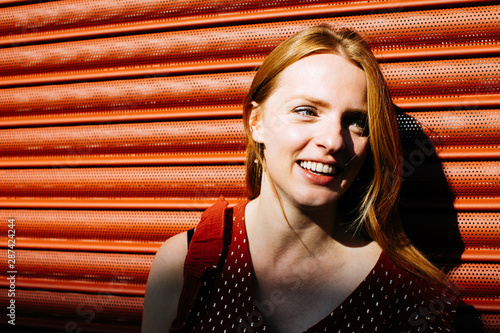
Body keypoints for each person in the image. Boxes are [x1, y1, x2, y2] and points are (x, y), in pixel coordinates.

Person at [142, 25, 462, 332]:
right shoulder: (184, 265)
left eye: (356, 122)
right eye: (307, 111)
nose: (334, 141)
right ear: (257, 123)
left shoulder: (407, 295)